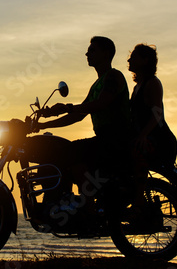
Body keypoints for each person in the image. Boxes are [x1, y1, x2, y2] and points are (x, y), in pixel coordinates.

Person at [35, 36, 131, 209]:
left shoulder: (113, 76)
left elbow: (101, 103)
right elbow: (78, 115)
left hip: (116, 138)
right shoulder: (97, 84)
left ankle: (88, 204)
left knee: (69, 151)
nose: (87, 53)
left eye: (92, 50)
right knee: (68, 154)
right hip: (105, 137)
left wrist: (68, 108)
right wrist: (43, 124)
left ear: (106, 53)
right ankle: (79, 201)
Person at [127, 43, 177, 209]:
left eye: (133, 57)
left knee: (136, 150)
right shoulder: (136, 88)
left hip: (160, 141)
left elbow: (157, 114)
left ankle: (139, 201)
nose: (129, 59)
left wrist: (143, 135)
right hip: (146, 138)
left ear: (145, 60)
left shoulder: (153, 83)